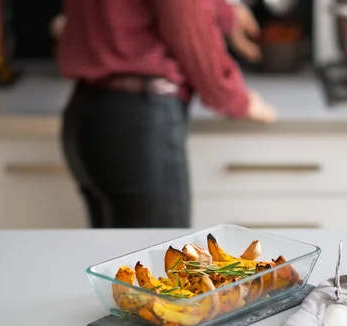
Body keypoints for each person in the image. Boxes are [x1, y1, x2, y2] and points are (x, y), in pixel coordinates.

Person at [57, 0, 277, 229]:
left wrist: (224, 13)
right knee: (162, 257)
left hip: (87, 112)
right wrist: (235, 97)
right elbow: (189, 29)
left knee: (116, 257)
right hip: (139, 122)